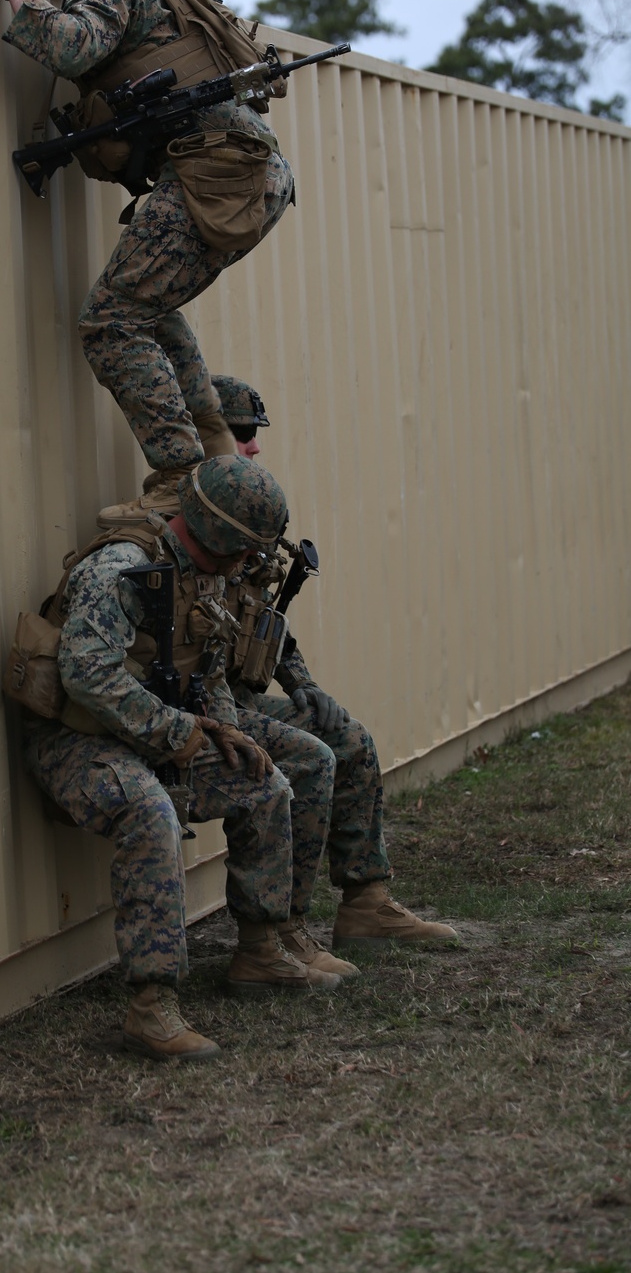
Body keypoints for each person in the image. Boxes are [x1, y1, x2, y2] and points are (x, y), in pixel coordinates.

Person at [0, 0, 294, 522]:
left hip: (213, 173)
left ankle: (180, 478)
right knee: (145, 306)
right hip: (249, 171)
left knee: (111, 321)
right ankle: (213, 455)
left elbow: (67, 47)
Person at [21, 456, 342, 1063]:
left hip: (158, 731)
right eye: (244, 551)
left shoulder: (204, 575)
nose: (249, 565)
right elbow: (87, 676)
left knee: (263, 782)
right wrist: (179, 732)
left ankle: (261, 949)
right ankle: (152, 1008)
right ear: (219, 539)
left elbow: (210, 668)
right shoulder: (121, 570)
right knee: (150, 810)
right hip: (74, 741)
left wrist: (221, 729)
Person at [212, 375, 460, 970]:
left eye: (254, 436)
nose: (253, 447)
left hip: (242, 694)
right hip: (205, 707)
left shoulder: (246, 511)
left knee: (347, 737)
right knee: (308, 755)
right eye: (242, 434)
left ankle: (366, 903)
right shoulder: (194, 520)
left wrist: (301, 683)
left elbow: (265, 614)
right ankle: (287, 927)